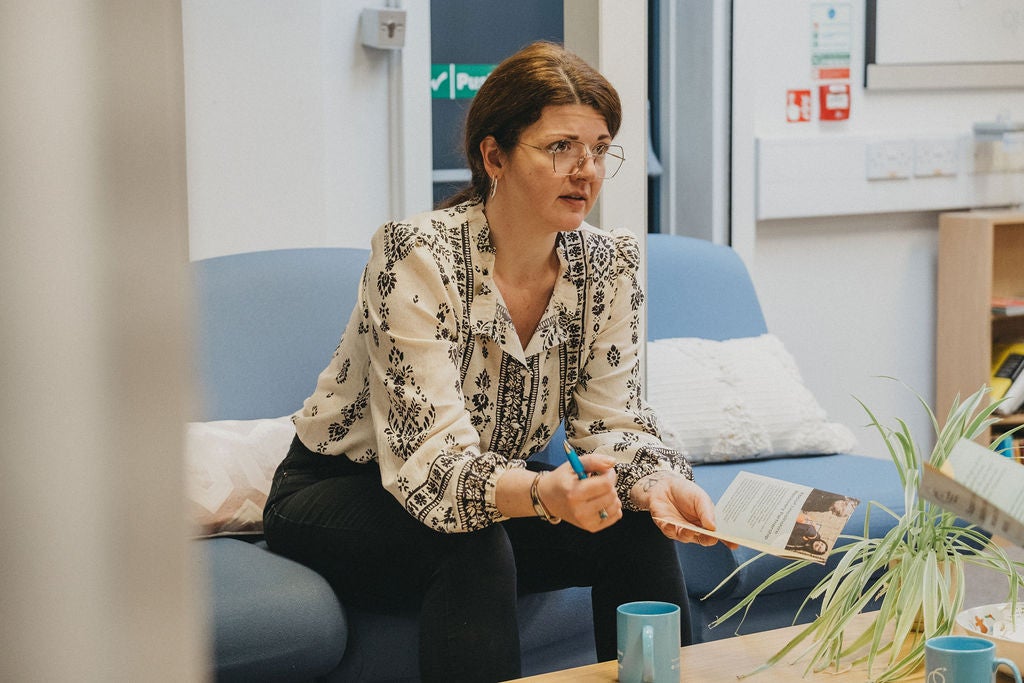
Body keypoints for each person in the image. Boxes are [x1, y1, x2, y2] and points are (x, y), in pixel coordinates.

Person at [263, 40, 727, 683]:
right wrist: (542, 492)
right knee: (473, 544)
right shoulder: (415, 256)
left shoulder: (609, 265)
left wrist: (654, 485)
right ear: (494, 156)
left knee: (636, 523)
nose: (586, 170)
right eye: (561, 147)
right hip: (341, 490)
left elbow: (614, 422)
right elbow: (431, 465)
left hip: (487, 484)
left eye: (599, 149)